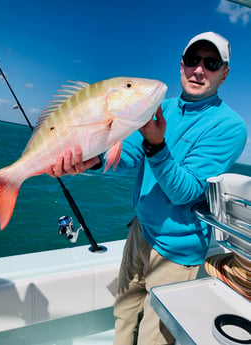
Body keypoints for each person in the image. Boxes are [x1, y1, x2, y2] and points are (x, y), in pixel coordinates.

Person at [46, 32, 247, 345]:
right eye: (193, 60)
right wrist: (93, 160)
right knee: (124, 317)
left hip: (177, 253)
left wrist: (157, 144)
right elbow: (128, 153)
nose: (199, 70)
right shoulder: (160, 106)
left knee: (154, 338)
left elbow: (185, 191)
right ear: (181, 65)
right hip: (140, 232)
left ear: (224, 72)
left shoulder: (229, 127)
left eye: (211, 63)